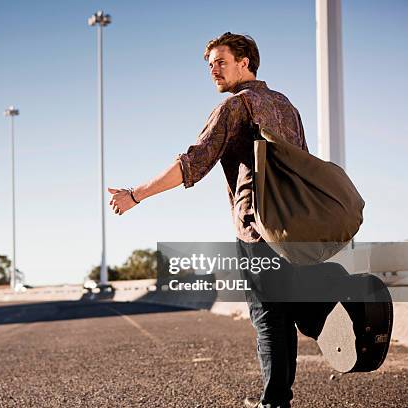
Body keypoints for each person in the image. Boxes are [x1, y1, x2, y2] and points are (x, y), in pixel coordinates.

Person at [108, 32, 308, 408]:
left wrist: (136, 195)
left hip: (259, 226)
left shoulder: (237, 107)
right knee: (284, 311)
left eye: (221, 61)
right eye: (209, 65)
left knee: (268, 315)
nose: (213, 70)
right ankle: (279, 396)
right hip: (297, 225)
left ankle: (275, 400)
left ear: (245, 62)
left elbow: (192, 162)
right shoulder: (285, 105)